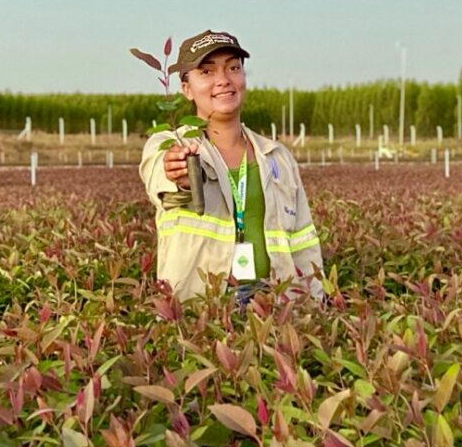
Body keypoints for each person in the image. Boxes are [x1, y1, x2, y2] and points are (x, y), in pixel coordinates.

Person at [139, 29, 324, 302]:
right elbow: (161, 178)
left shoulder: (276, 156)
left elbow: (303, 241)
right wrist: (179, 175)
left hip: (275, 307)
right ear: (186, 89)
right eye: (207, 71)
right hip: (200, 312)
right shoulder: (170, 145)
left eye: (233, 68)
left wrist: (316, 301)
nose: (223, 80)